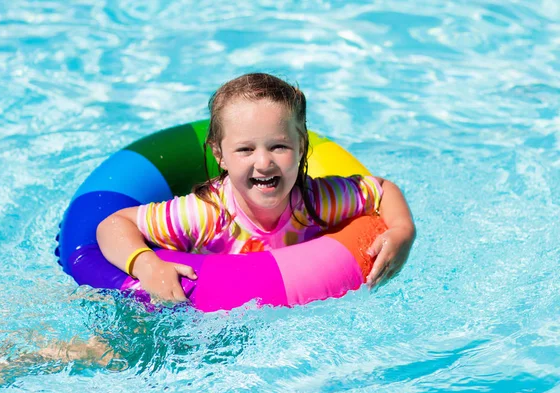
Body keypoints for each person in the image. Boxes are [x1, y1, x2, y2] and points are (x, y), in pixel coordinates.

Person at [97, 73, 416, 303]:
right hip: (201, 312)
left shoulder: (317, 201)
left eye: (279, 146)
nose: (263, 163)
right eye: (245, 150)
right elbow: (113, 225)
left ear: (302, 146)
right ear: (219, 155)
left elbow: (383, 190)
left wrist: (402, 231)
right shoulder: (206, 213)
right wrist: (146, 264)